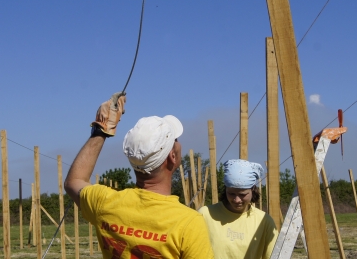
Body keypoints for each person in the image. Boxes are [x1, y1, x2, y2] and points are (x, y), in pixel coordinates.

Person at [64, 93, 214, 258]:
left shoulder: (105, 203)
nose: (179, 143)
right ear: (172, 157)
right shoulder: (189, 224)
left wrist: (101, 130)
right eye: (175, 139)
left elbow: (74, 181)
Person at [198, 159, 278, 259]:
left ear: (253, 190)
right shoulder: (205, 215)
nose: (237, 200)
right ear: (225, 189)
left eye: (242, 194)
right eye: (231, 193)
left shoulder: (264, 221)